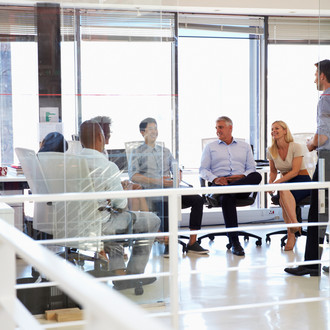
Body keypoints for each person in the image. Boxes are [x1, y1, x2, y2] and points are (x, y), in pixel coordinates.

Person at [79, 120, 160, 290]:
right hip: (102, 224)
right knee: (152, 220)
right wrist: (120, 190)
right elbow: (121, 203)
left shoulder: (72, 162)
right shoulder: (107, 166)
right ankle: (134, 274)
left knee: (115, 220)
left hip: (78, 224)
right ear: (100, 139)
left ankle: (119, 273)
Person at [128, 117, 209, 256]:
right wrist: (157, 181)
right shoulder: (137, 152)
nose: (154, 131)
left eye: (156, 128)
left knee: (198, 200)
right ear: (142, 132)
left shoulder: (165, 151)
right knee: (167, 200)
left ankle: (192, 243)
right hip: (151, 193)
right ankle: (168, 243)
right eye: (151, 129)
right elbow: (133, 176)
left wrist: (177, 176)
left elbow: (176, 167)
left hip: (170, 189)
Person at [285, 59, 330, 276]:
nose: (314, 79)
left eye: (315, 75)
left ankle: (311, 264)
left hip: (327, 160)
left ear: (322, 76)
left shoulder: (325, 99)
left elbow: (322, 136)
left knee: (317, 212)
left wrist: (310, 144)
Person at [199, 116, 262, 256]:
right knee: (227, 197)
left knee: (257, 176)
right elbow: (203, 170)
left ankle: (228, 190)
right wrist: (215, 179)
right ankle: (235, 243)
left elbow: (251, 168)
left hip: (240, 184)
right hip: (221, 183)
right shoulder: (210, 147)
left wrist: (241, 177)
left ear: (230, 128)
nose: (217, 131)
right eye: (216, 128)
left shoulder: (244, 146)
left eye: (220, 127)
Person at [267, 120, 311, 251]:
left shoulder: (295, 146)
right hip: (285, 182)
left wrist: (276, 183)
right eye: (272, 129)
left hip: (301, 180)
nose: (274, 131)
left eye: (277, 128)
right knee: (283, 191)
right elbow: (273, 172)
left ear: (285, 131)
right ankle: (294, 225)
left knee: (282, 190)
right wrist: (270, 184)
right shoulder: (271, 150)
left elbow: (295, 171)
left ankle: (291, 232)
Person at [91, 115, 148, 212]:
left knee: (137, 188)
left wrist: (121, 183)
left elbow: (106, 180)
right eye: (106, 135)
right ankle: (137, 222)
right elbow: (100, 186)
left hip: (108, 190)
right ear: (98, 135)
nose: (108, 139)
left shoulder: (103, 152)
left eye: (109, 134)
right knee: (134, 197)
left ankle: (140, 223)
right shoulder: (93, 157)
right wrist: (123, 189)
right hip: (104, 200)